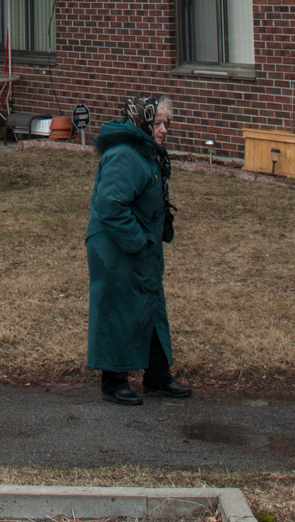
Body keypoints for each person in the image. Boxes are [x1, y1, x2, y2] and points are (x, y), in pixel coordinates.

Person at [85, 93, 192, 405]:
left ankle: (157, 375)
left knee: (150, 306)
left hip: (137, 246)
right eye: (158, 123)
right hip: (115, 248)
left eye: (166, 123)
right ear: (142, 122)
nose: (164, 130)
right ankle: (114, 381)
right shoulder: (125, 156)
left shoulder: (144, 152)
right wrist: (139, 242)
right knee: (118, 309)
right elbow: (110, 205)